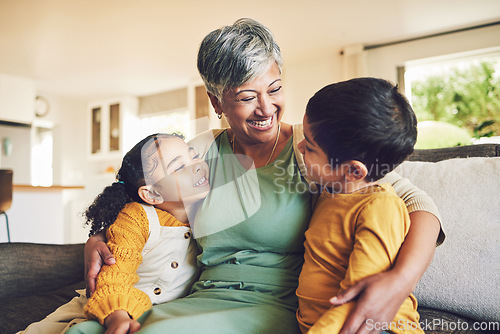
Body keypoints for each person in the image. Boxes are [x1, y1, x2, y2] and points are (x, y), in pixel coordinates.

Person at [81, 18, 444, 334]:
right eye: (246, 97)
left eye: (274, 90)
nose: (266, 108)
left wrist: (399, 282)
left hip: (275, 307)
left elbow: (415, 203)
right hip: (202, 297)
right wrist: (99, 239)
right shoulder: (198, 152)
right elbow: (146, 199)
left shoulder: (313, 149)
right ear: (216, 101)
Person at [23, 133, 209, 334]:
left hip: (158, 318)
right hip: (104, 311)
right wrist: (118, 314)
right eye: (179, 167)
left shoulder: (206, 212)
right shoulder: (136, 218)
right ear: (153, 194)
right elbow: (115, 275)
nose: (197, 165)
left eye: (195, 155)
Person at [296, 78, 424, 333]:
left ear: (354, 170)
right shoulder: (330, 192)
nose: (299, 147)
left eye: (309, 148)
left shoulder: (380, 208)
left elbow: (359, 299)